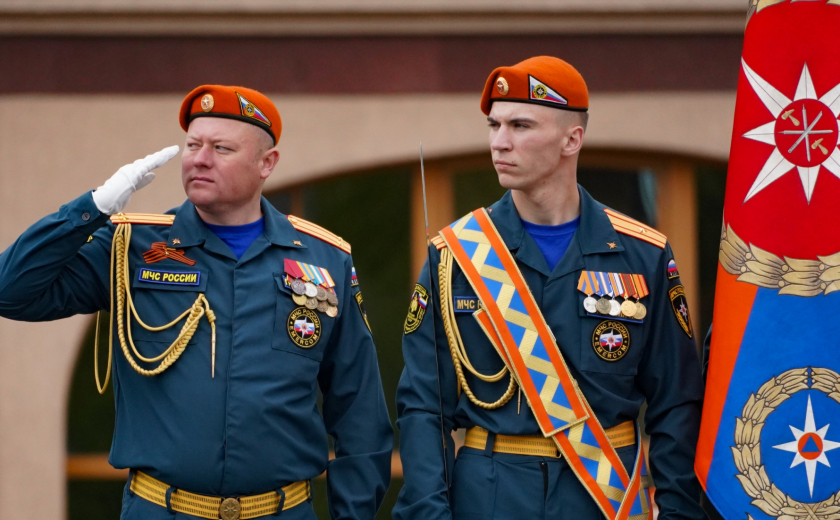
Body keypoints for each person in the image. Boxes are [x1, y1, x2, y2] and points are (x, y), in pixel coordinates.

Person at [0, 85, 393, 520]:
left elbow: (358, 409)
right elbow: (10, 290)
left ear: (267, 163)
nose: (199, 159)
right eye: (192, 145)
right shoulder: (133, 246)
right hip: (162, 510)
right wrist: (90, 209)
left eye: (221, 148)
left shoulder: (323, 259)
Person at [394, 57, 706, 520]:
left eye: (520, 125)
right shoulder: (455, 257)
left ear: (571, 139)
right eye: (494, 125)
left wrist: (678, 512)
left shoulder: (643, 254)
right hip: (489, 497)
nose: (499, 142)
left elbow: (676, 403)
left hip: (603, 497)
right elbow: (423, 407)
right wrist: (427, 513)